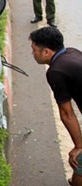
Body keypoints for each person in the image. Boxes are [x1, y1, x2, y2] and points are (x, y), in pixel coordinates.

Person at [29, 27, 82, 186]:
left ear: (46, 52)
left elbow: (67, 113)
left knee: (79, 160)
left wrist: (79, 146)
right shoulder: (72, 52)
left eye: (34, 50)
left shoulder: (55, 71)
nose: (33, 54)